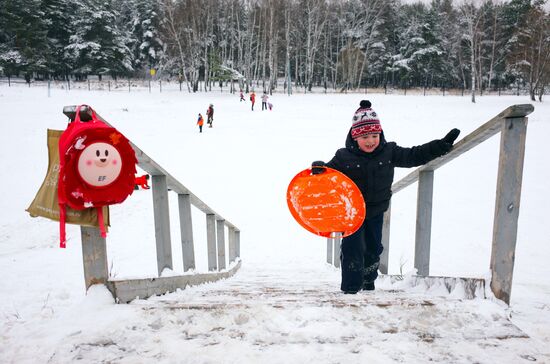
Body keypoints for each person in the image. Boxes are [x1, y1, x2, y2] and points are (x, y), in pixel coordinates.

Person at [312, 100, 460, 294]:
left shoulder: (389, 152)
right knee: (352, 249)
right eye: (364, 136)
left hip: (376, 211)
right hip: (352, 214)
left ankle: (368, 281)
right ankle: (349, 290)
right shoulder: (343, 156)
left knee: (373, 249)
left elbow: (414, 155)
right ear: (354, 137)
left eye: (374, 135)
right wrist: (319, 169)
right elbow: (328, 175)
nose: (370, 141)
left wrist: (440, 146)